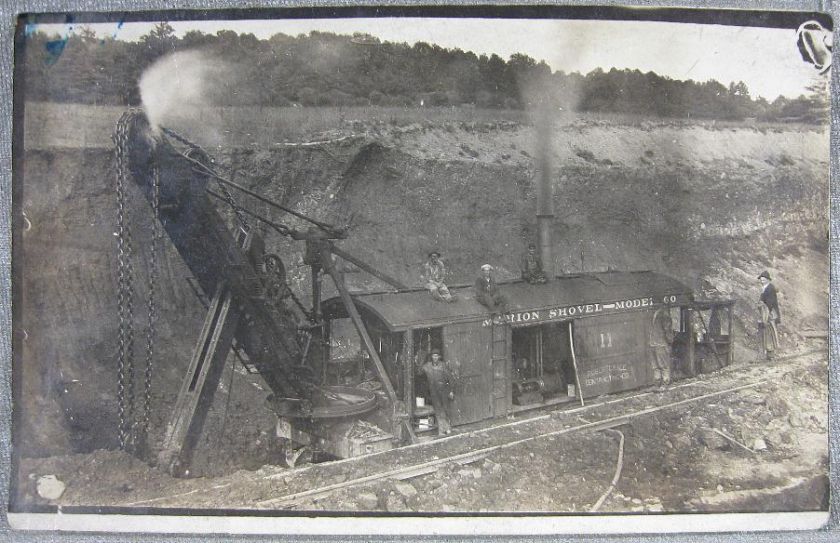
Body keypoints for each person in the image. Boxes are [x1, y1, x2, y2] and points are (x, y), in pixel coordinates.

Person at [418, 350, 457, 436]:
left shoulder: (443, 365)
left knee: (445, 409)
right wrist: (422, 359)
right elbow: (419, 372)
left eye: (436, 356)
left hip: (444, 391)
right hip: (434, 392)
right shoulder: (427, 366)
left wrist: (451, 391)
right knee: (438, 410)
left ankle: (447, 428)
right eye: (433, 356)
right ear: (431, 357)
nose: (435, 357)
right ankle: (442, 430)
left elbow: (450, 378)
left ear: (439, 357)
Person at [757, 271, 781, 360]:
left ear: (767, 280)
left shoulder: (770, 288)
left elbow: (770, 303)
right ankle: (768, 354)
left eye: (763, 280)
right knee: (767, 333)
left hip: (770, 314)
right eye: (761, 280)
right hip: (766, 313)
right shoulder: (765, 288)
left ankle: (771, 355)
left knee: (770, 333)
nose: (761, 281)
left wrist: (766, 315)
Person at [649, 308, 675, 388]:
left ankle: (664, 383)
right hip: (657, 344)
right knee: (658, 365)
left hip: (658, 344)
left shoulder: (662, 314)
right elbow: (667, 330)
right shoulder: (661, 314)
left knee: (661, 365)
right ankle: (659, 383)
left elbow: (667, 330)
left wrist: (670, 341)